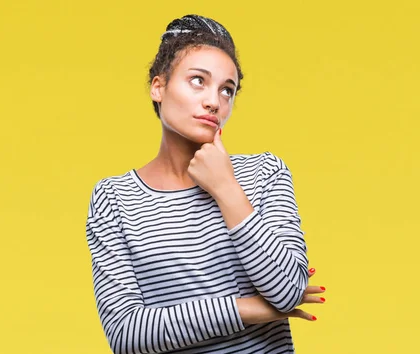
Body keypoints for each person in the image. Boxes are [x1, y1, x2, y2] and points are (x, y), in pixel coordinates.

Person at [85, 14, 326, 354]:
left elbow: (286, 291)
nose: (214, 101)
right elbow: (126, 334)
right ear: (159, 87)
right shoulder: (114, 199)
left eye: (227, 90)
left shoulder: (264, 173)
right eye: (198, 80)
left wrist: (226, 187)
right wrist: (248, 310)